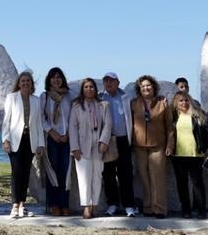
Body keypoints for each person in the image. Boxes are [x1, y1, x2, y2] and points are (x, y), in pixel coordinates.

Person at [131, 75, 174, 218]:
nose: (146, 88)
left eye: (148, 85)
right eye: (143, 86)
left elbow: (169, 126)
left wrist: (170, 144)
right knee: (144, 178)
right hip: (139, 146)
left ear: (154, 87)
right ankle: (148, 207)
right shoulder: (134, 104)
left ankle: (159, 208)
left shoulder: (163, 103)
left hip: (158, 146)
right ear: (139, 89)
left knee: (158, 178)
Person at [2, 71, 44, 219]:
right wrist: (5, 139)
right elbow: (7, 121)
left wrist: (40, 144)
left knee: (26, 173)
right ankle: (14, 205)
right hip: (15, 141)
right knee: (16, 172)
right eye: (23, 81)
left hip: (30, 141)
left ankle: (22, 205)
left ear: (32, 84)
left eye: (28, 81)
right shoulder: (11, 98)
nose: (25, 83)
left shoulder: (36, 100)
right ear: (19, 83)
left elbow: (38, 123)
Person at [69, 78, 112, 219]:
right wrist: (74, 147)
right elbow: (73, 127)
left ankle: (95, 204)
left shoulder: (103, 105)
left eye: (91, 87)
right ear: (83, 89)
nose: (89, 89)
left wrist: (104, 141)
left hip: (98, 145)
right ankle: (86, 206)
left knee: (97, 176)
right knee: (84, 177)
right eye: (86, 87)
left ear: (96, 89)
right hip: (82, 146)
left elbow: (108, 125)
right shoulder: (76, 106)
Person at [171, 91, 208, 219]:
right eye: (181, 100)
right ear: (176, 104)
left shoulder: (199, 116)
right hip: (178, 155)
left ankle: (201, 210)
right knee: (182, 184)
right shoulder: (173, 117)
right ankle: (186, 210)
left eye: (186, 100)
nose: (184, 103)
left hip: (196, 154)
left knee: (197, 183)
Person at [101, 73, 138, 217]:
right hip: (108, 141)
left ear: (118, 82)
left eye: (112, 81)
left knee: (126, 174)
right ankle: (112, 204)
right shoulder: (100, 97)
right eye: (106, 81)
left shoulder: (126, 97)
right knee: (108, 174)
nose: (109, 83)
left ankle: (129, 205)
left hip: (123, 140)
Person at [40, 67, 73, 216]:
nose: (56, 80)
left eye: (59, 77)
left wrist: (68, 134)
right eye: (53, 77)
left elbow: (73, 118)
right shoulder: (45, 97)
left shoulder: (69, 97)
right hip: (52, 138)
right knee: (52, 172)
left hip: (67, 138)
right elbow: (41, 117)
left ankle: (64, 204)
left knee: (65, 172)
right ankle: (53, 204)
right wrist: (51, 132)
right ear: (49, 80)